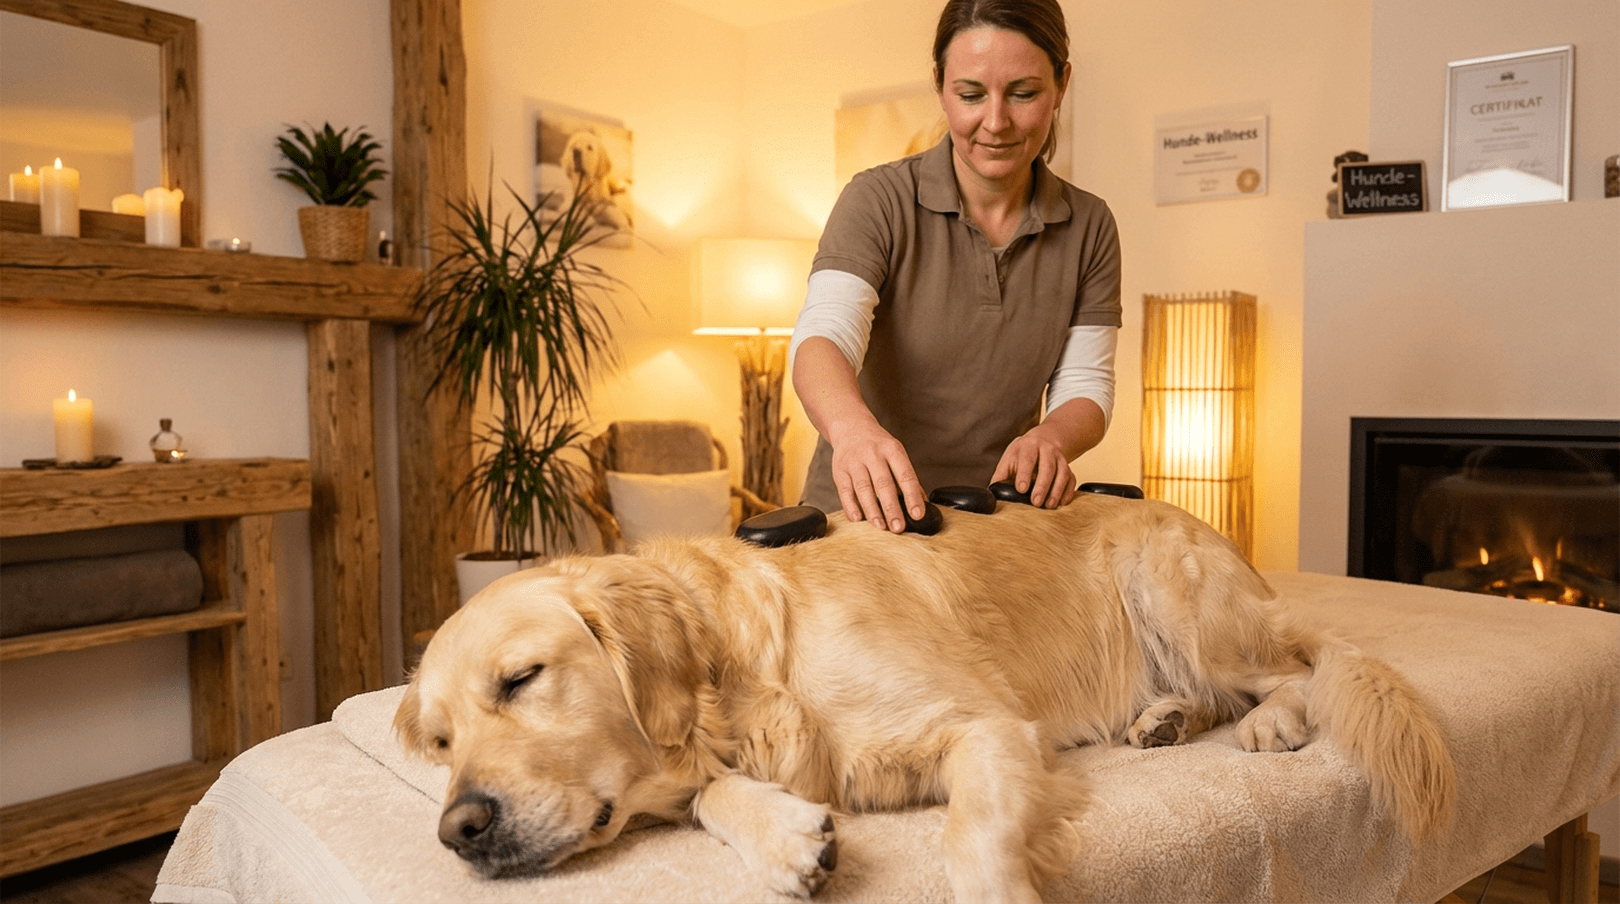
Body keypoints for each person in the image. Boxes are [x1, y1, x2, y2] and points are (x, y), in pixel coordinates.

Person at [790, 0, 1122, 532]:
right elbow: (824, 337)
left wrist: (1052, 438)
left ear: (1061, 84)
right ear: (941, 86)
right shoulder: (877, 199)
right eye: (971, 95)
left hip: (993, 524)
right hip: (861, 519)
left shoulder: (1090, 225)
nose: (996, 122)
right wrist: (853, 431)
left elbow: (1086, 382)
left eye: (1024, 93)